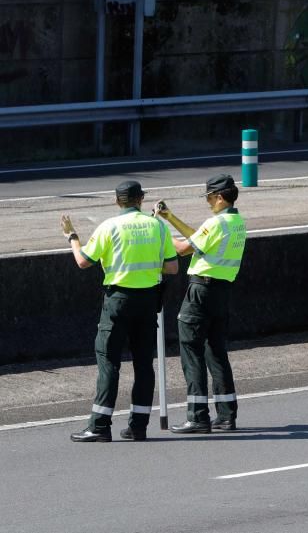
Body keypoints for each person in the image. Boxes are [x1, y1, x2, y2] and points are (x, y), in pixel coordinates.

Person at [60, 180, 178, 442]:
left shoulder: (109, 227)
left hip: (118, 301)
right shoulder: (157, 225)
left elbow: (82, 261)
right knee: (144, 365)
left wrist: (73, 237)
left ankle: (100, 426)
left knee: (109, 362)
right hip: (148, 301)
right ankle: (138, 426)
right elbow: (171, 268)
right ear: (141, 199)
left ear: (117, 201)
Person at [155, 174, 246, 433]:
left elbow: (184, 248)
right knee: (216, 352)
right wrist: (170, 218)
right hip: (221, 292)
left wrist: (160, 231)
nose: (207, 202)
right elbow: (198, 240)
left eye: (208, 197)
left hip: (201, 290)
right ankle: (227, 415)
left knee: (191, 351)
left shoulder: (216, 223)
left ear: (219, 197)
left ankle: (197, 416)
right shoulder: (236, 222)